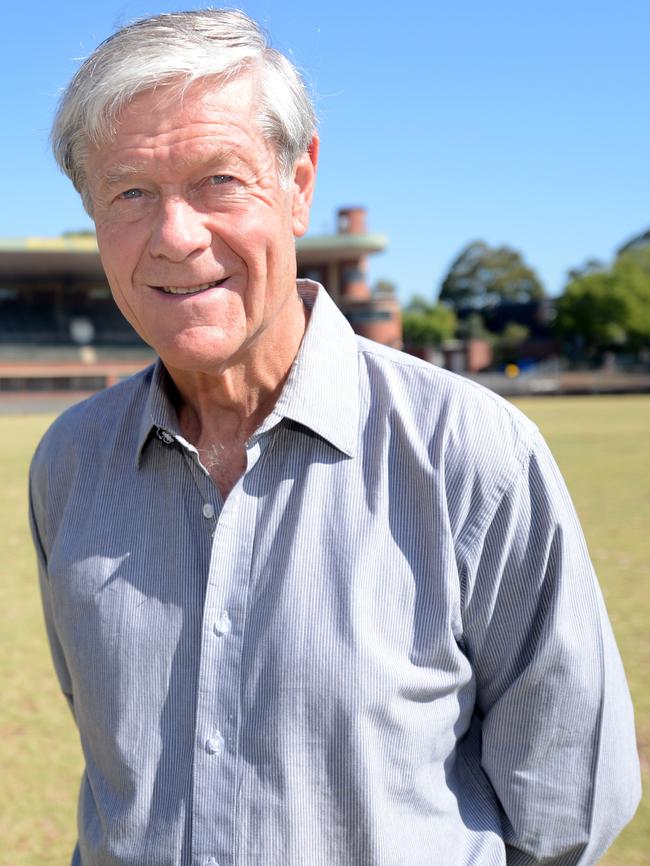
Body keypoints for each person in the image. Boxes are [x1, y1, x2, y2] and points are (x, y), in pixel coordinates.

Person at [29, 9, 640, 866]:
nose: (175, 235)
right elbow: (117, 768)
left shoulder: (474, 456)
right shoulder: (69, 464)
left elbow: (567, 808)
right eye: (130, 191)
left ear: (299, 182)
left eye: (219, 180)